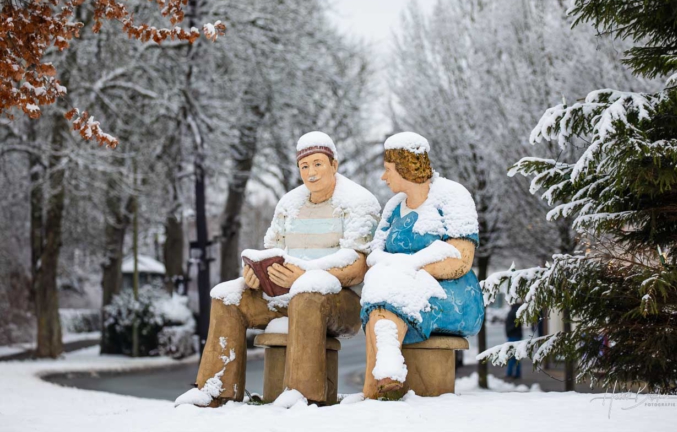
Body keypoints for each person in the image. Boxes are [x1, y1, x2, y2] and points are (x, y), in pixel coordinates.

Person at [176, 131, 380, 407]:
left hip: (340, 302)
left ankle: (303, 396)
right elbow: (273, 251)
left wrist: (307, 275)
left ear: (334, 165)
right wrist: (256, 275)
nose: (311, 173)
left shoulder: (358, 202)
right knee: (228, 297)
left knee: (307, 294)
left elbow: (358, 266)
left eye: (318, 164)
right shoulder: (289, 204)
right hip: (285, 295)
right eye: (304, 166)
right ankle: (217, 390)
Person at [360, 132, 485, 399]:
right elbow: (374, 256)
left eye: (388, 170)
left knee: (387, 297)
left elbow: (460, 259)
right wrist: (399, 270)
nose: (384, 177)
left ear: (405, 167)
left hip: (450, 294)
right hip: (397, 288)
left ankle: (376, 388)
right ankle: (385, 376)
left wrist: (410, 269)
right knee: (381, 302)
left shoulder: (452, 196)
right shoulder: (393, 207)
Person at [505, 302, 523, 379]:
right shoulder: (516, 311)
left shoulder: (514, 311)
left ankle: (513, 373)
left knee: (513, 356)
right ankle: (514, 373)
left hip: (513, 336)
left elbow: (514, 325)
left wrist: (509, 331)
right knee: (515, 356)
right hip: (515, 335)